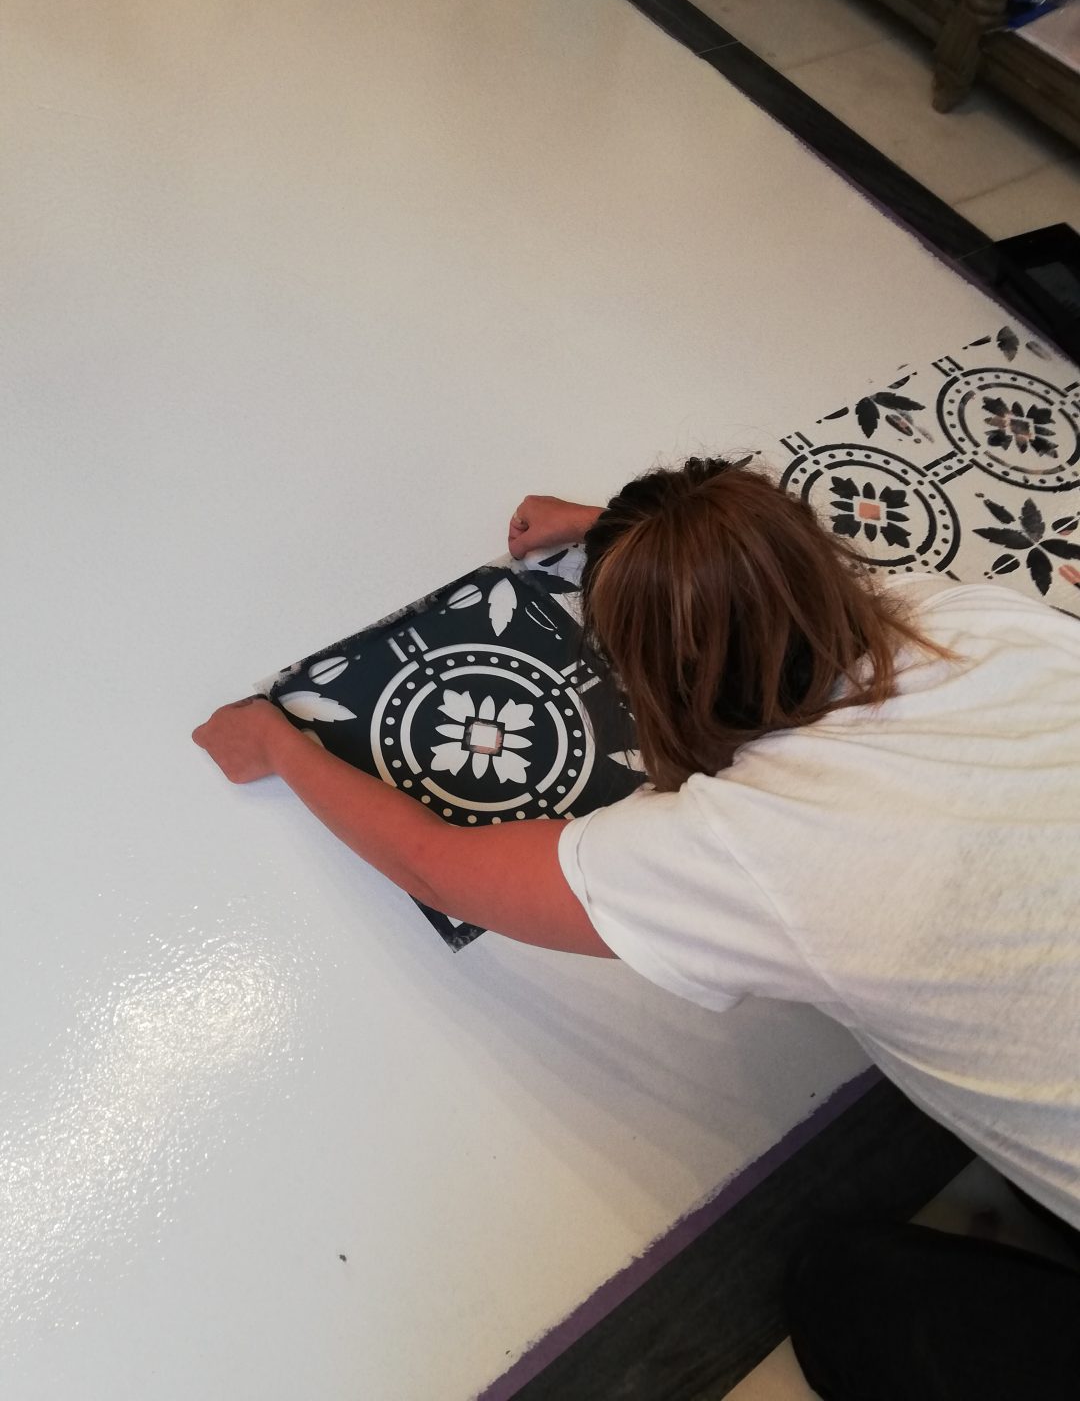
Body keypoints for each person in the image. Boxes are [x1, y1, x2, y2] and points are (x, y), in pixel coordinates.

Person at [194, 458, 1080, 1399]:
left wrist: (278, 744)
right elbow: (782, 570)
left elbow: (434, 865)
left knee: (841, 1289)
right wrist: (631, 541)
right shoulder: (981, 621)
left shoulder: (746, 845)